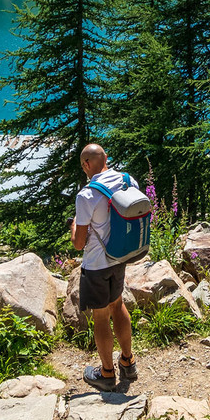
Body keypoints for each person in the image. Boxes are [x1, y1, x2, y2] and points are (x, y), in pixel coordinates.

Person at [71, 141, 137, 391]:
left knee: (100, 317)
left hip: (97, 264)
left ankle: (107, 373)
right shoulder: (128, 181)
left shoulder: (86, 195)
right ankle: (128, 362)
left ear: (86, 165)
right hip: (120, 257)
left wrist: (74, 226)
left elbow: (79, 243)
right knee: (118, 305)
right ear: (106, 157)